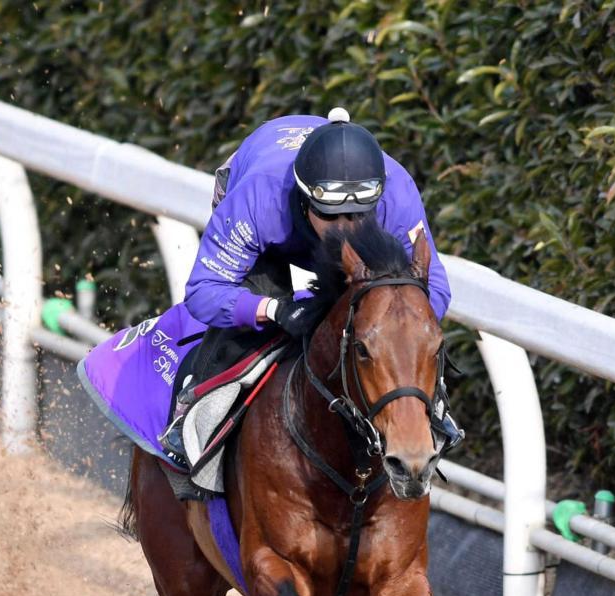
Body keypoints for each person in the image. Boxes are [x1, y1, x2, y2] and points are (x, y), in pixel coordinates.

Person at [160, 107, 462, 459]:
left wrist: (390, 323)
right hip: (268, 223)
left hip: (355, 249)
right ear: (305, 202)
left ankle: (436, 416)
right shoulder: (260, 198)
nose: (345, 229)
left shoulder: (397, 197)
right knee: (250, 321)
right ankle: (195, 411)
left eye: (359, 214)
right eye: (330, 215)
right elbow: (205, 291)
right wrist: (272, 309)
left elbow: (434, 288)